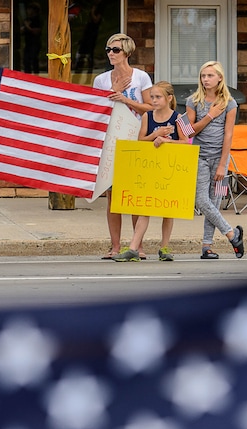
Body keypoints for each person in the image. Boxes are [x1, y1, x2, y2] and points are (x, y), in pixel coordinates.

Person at [93, 33, 153, 260]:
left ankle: (137, 246)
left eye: (115, 50)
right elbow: (96, 111)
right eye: (108, 49)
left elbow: (149, 107)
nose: (110, 53)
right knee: (113, 195)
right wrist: (111, 92)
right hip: (112, 140)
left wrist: (125, 98)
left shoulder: (141, 77)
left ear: (127, 52)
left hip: (136, 139)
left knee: (135, 195)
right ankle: (115, 247)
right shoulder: (101, 80)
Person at [112, 81, 188, 262]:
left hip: (170, 168)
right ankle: (133, 247)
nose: (153, 100)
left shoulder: (181, 117)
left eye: (158, 97)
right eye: (152, 97)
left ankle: (165, 247)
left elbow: (187, 142)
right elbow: (141, 141)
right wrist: (156, 135)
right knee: (145, 208)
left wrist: (168, 141)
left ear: (169, 98)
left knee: (168, 210)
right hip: (150, 169)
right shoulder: (147, 116)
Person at [185, 60, 244, 259]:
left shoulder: (230, 103)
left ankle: (207, 246)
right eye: (203, 76)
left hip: (221, 160)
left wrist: (222, 165)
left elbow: (228, 135)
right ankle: (231, 233)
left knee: (214, 201)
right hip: (200, 156)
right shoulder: (193, 101)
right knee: (202, 200)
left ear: (220, 78)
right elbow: (189, 131)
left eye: (210, 75)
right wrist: (210, 115)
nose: (206, 79)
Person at [21, 2, 42, 74]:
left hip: (35, 43)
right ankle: (27, 76)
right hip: (28, 43)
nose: (28, 11)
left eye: (30, 9)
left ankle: (36, 75)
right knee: (26, 61)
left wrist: (28, 27)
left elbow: (37, 31)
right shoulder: (28, 19)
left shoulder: (37, 20)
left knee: (34, 59)